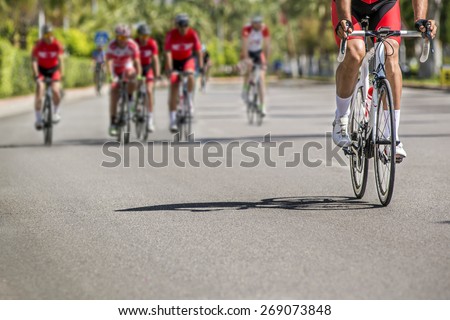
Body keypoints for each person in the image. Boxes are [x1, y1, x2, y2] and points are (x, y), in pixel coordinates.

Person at [332, 0, 437, 160]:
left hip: (385, 4)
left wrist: (420, 19)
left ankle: (392, 136)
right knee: (355, 53)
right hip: (350, 6)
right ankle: (341, 118)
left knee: (390, 53)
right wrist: (345, 19)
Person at [164, 13, 203, 133]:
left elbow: (198, 51)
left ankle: (190, 100)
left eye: (186, 25)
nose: (183, 28)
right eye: (181, 25)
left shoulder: (192, 34)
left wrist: (200, 67)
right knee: (174, 87)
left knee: (190, 75)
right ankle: (172, 119)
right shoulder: (171, 35)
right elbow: (168, 53)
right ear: (177, 25)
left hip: (187, 59)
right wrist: (170, 68)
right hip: (174, 61)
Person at [106, 24, 142, 137]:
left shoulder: (132, 45)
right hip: (115, 68)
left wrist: (139, 75)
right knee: (113, 92)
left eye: (125, 38)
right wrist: (111, 76)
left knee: (133, 76)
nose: (122, 40)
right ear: (116, 37)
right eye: (120, 38)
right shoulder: (111, 46)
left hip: (127, 67)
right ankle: (112, 122)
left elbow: (137, 61)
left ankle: (130, 98)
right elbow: (108, 62)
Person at [31, 24, 64, 130]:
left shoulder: (57, 44)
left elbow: (60, 60)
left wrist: (61, 74)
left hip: (54, 70)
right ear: (43, 35)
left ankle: (56, 112)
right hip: (41, 70)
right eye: (46, 34)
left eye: (50, 34)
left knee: (56, 91)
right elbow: (34, 61)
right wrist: (36, 75)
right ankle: (38, 119)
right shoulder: (38, 45)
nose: (49, 37)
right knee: (40, 90)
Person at [241, 15, 271, 116]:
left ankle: (262, 106)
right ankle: (245, 89)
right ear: (252, 23)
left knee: (261, 79)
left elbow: (266, 46)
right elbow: (244, 45)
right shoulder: (247, 29)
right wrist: (246, 59)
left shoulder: (264, 29)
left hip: (258, 52)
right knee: (248, 67)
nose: (258, 25)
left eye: (259, 23)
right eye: (256, 23)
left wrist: (265, 61)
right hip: (248, 52)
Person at [135, 23, 160, 133]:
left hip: (148, 68)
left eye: (147, 36)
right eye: (142, 36)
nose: (145, 38)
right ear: (139, 36)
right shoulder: (134, 44)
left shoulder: (152, 43)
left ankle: (150, 119)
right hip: (137, 67)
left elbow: (155, 59)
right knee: (136, 84)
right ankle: (137, 102)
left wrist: (158, 74)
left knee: (149, 91)